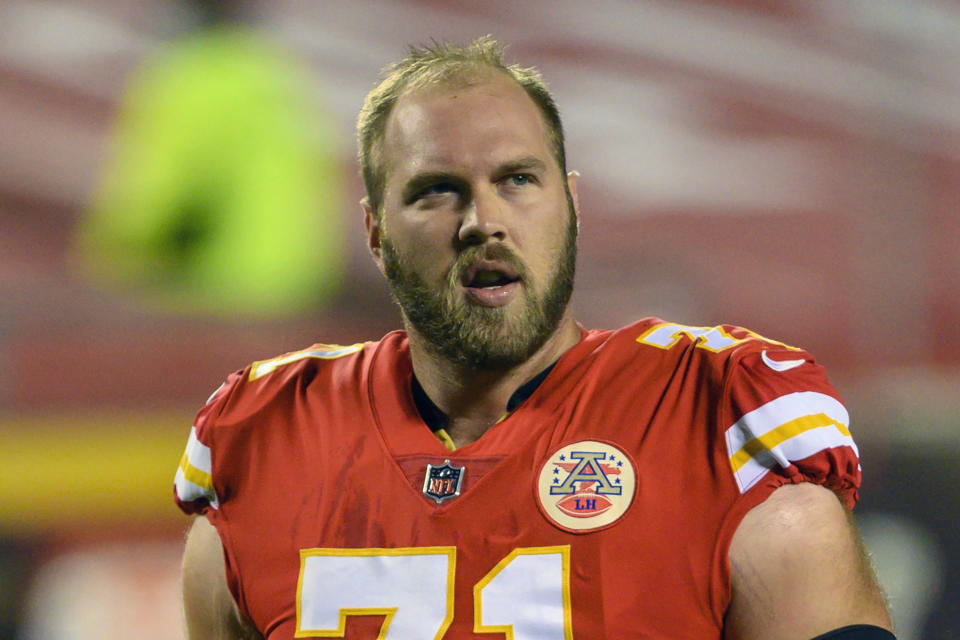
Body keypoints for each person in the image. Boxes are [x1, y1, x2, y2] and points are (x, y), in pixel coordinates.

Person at [175, 37, 896, 639]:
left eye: (517, 179)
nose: (483, 221)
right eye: (437, 190)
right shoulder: (267, 442)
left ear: (571, 206)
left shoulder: (712, 422)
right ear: (374, 231)